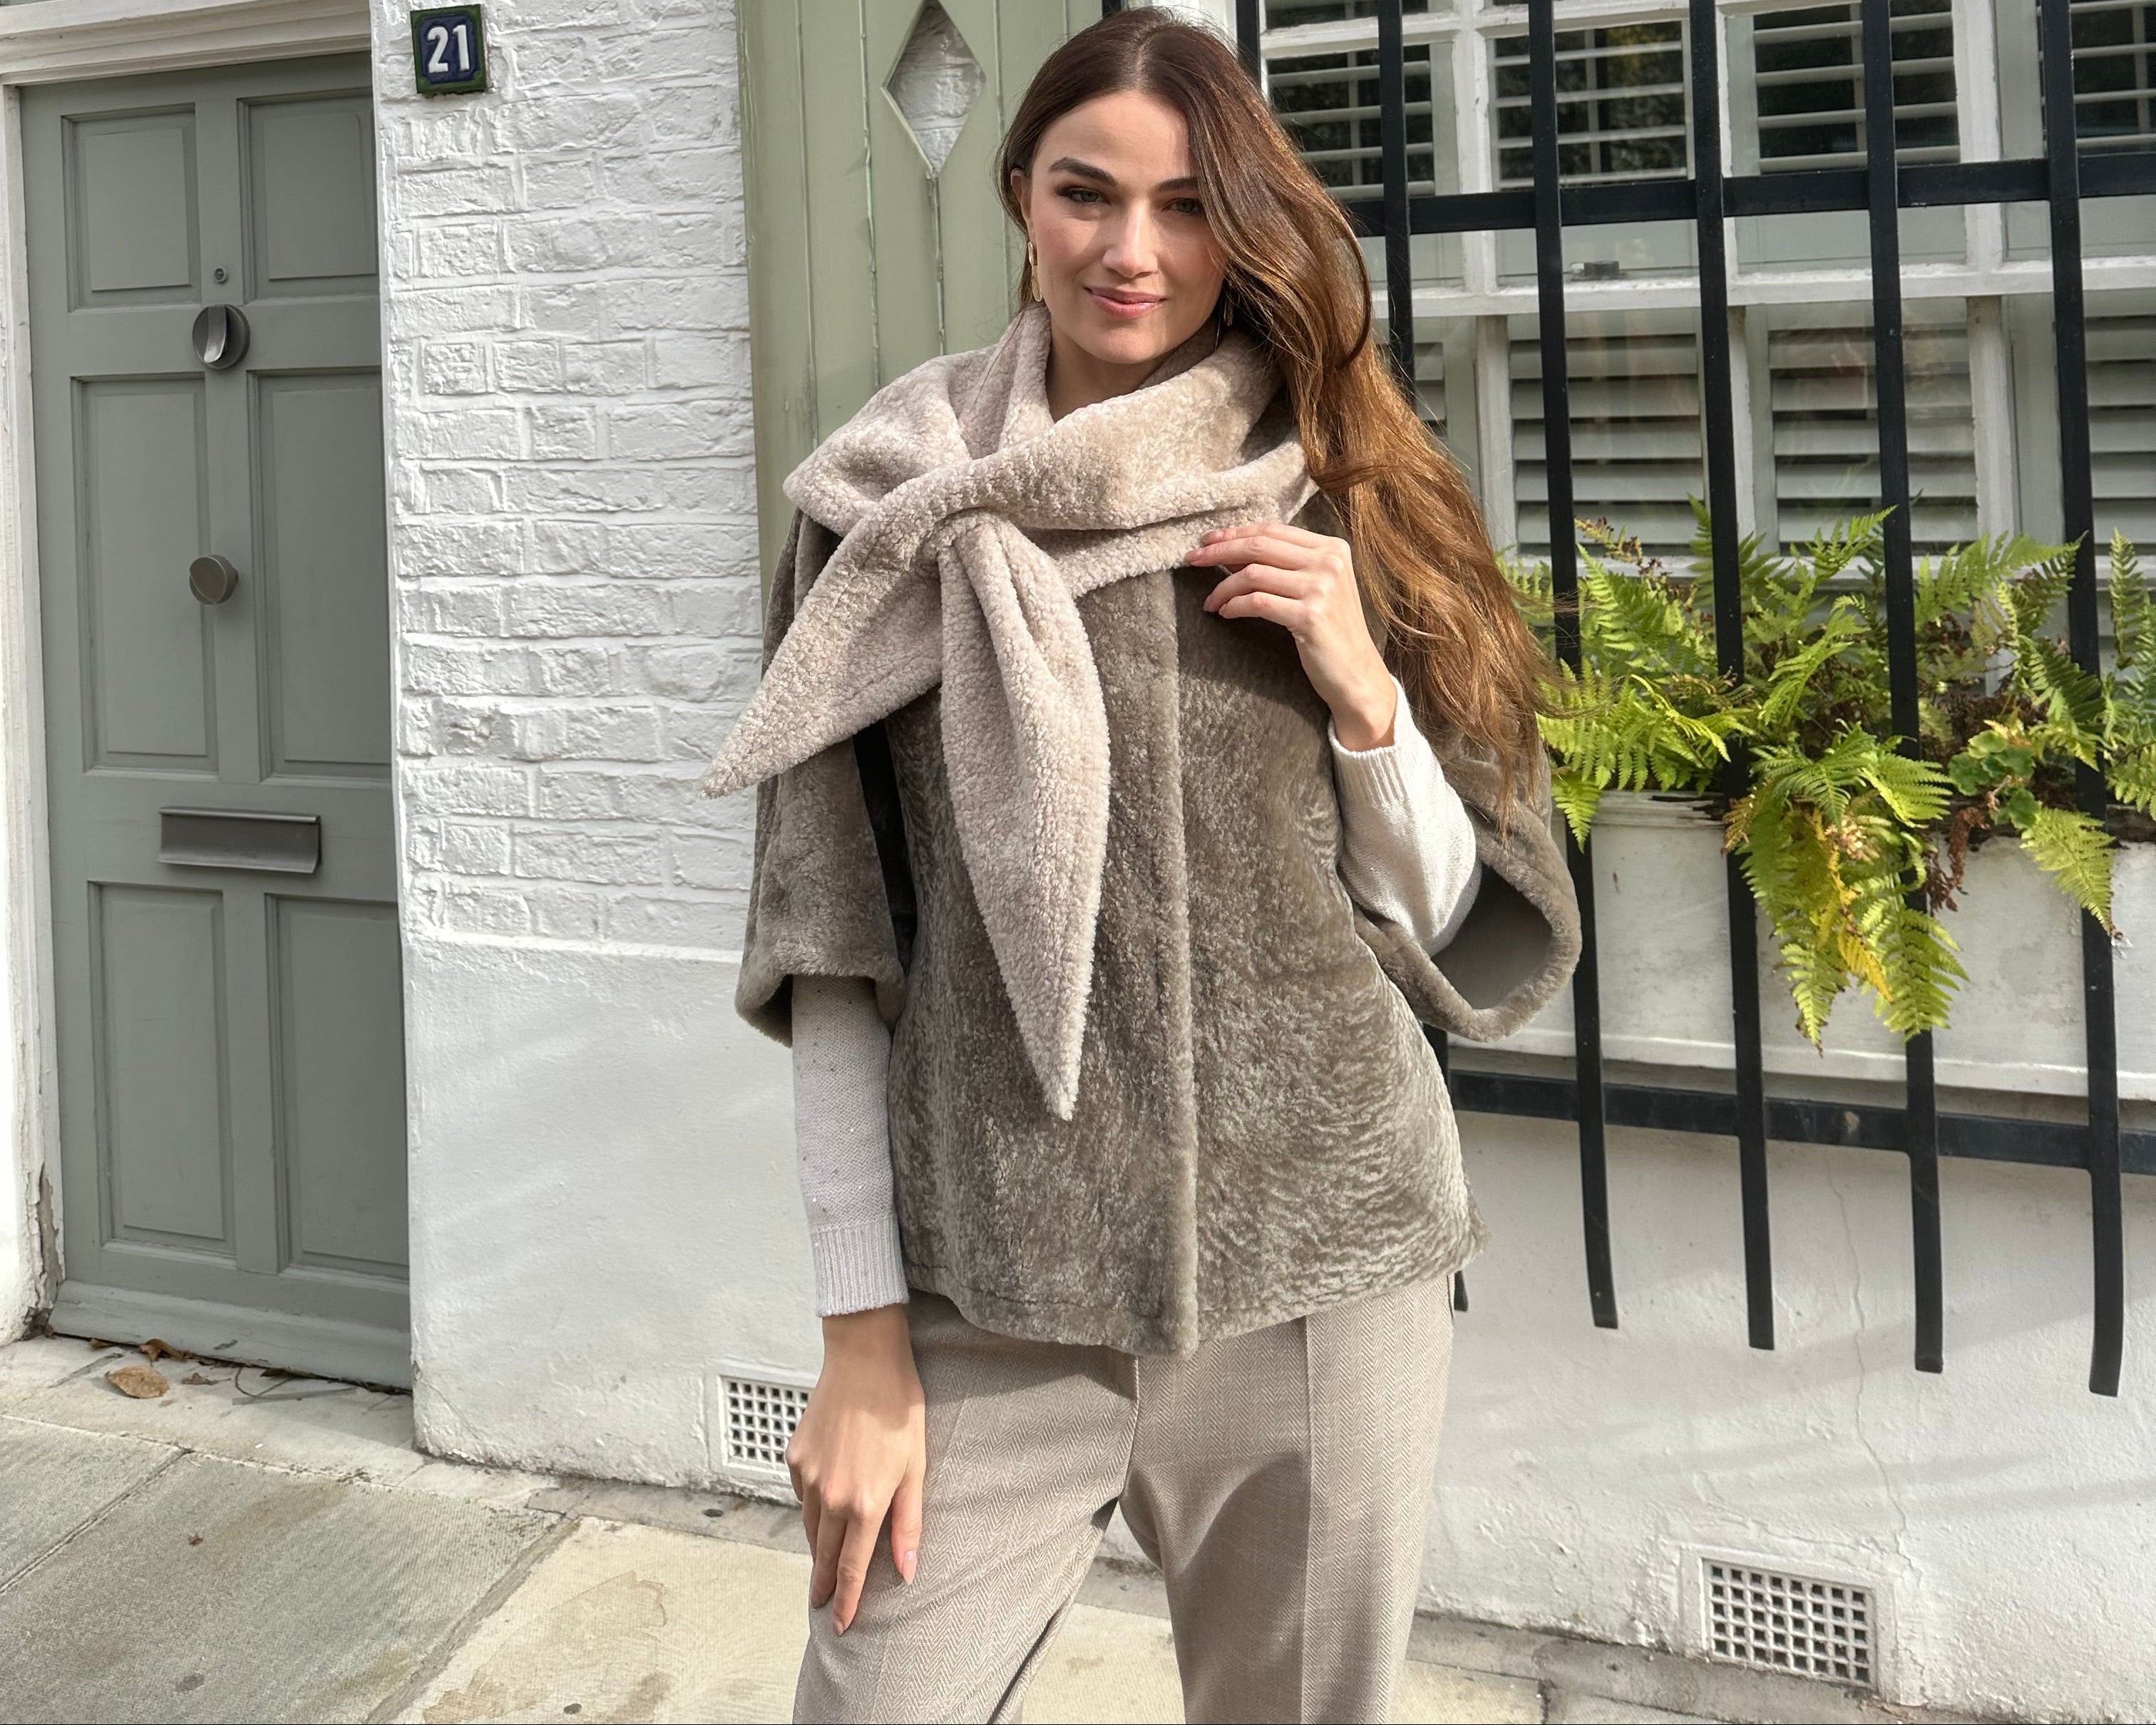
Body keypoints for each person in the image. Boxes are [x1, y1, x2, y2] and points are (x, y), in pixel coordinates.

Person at [699, 12, 1581, 1721]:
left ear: (1238, 223)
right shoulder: (887, 510)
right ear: (1020, 196)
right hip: (995, 1285)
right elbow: (831, 949)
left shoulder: (1349, 489)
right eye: (1088, 194)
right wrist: (858, 1334)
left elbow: (1457, 922)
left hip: (1327, 1278)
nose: (1133, 249)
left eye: (1184, 206)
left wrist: (1365, 697)